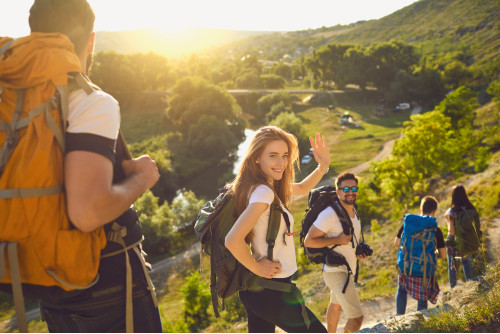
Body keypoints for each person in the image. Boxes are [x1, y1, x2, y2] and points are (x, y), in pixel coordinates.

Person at [26, 0, 162, 331]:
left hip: (50, 282)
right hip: (108, 281)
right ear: (91, 40)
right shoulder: (89, 101)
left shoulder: (18, 105)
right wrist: (140, 180)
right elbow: (87, 213)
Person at [225, 126, 330, 333]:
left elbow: (301, 188)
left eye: (284, 155)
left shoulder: (260, 186)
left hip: (256, 290)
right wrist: (257, 267)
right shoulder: (263, 193)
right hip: (272, 290)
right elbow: (232, 240)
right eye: (273, 156)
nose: (281, 163)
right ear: (256, 157)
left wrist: (323, 166)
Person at [304, 172, 367, 333]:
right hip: (336, 271)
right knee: (356, 318)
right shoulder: (329, 215)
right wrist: (336, 240)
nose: (350, 191)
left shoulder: (354, 210)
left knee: (336, 304)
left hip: (346, 269)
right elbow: (309, 241)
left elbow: (350, 239)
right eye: (346, 188)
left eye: (354, 188)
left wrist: (359, 249)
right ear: (338, 192)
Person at [394, 196, 446, 315]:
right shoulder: (435, 230)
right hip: (424, 270)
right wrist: (430, 254)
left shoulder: (407, 223)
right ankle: (420, 320)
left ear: (420, 209)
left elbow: (397, 243)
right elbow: (443, 255)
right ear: (434, 211)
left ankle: (399, 316)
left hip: (406, 266)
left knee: (402, 290)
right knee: (423, 296)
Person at [444, 185, 479, 288]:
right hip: (468, 240)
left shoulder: (452, 211)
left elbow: (452, 232)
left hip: (455, 242)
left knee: (452, 264)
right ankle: (470, 283)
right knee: (466, 262)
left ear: (453, 197)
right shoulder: (471, 209)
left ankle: (453, 287)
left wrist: (449, 220)